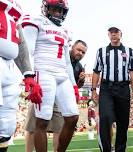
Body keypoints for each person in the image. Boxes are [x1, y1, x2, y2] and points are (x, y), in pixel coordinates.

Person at [20, 0, 80, 151]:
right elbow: (28, 51)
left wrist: (73, 85)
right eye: (54, 9)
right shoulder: (36, 21)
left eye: (61, 11)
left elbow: (67, 61)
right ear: (46, 8)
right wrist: (30, 76)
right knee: (42, 121)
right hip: (44, 72)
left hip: (62, 75)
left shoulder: (65, 30)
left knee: (72, 117)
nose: (58, 13)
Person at [24, 39, 87, 152]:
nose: (80, 53)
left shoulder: (79, 67)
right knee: (33, 126)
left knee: (59, 129)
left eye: (83, 52)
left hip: (59, 99)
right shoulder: (59, 54)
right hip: (44, 89)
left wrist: (81, 81)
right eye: (79, 50)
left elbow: (75, 86)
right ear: (72, 47)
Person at [0, 0, 43, 151]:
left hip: (9, 65)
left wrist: (28, 74)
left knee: (6, 125)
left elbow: (19, 40)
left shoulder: (14, 6)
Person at [91, 26, 133, 152]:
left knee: (123, 122)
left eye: (116, 32)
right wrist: (93, 90)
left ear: (121, 34)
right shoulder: (101, 51)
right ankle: (106, 149)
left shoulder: (129, 51)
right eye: (111, 33)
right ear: (108, 35)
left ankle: (120, 150)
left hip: (123, 88)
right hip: (107, 88)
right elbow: (96, 71)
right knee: (105, 118)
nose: (113, 35)